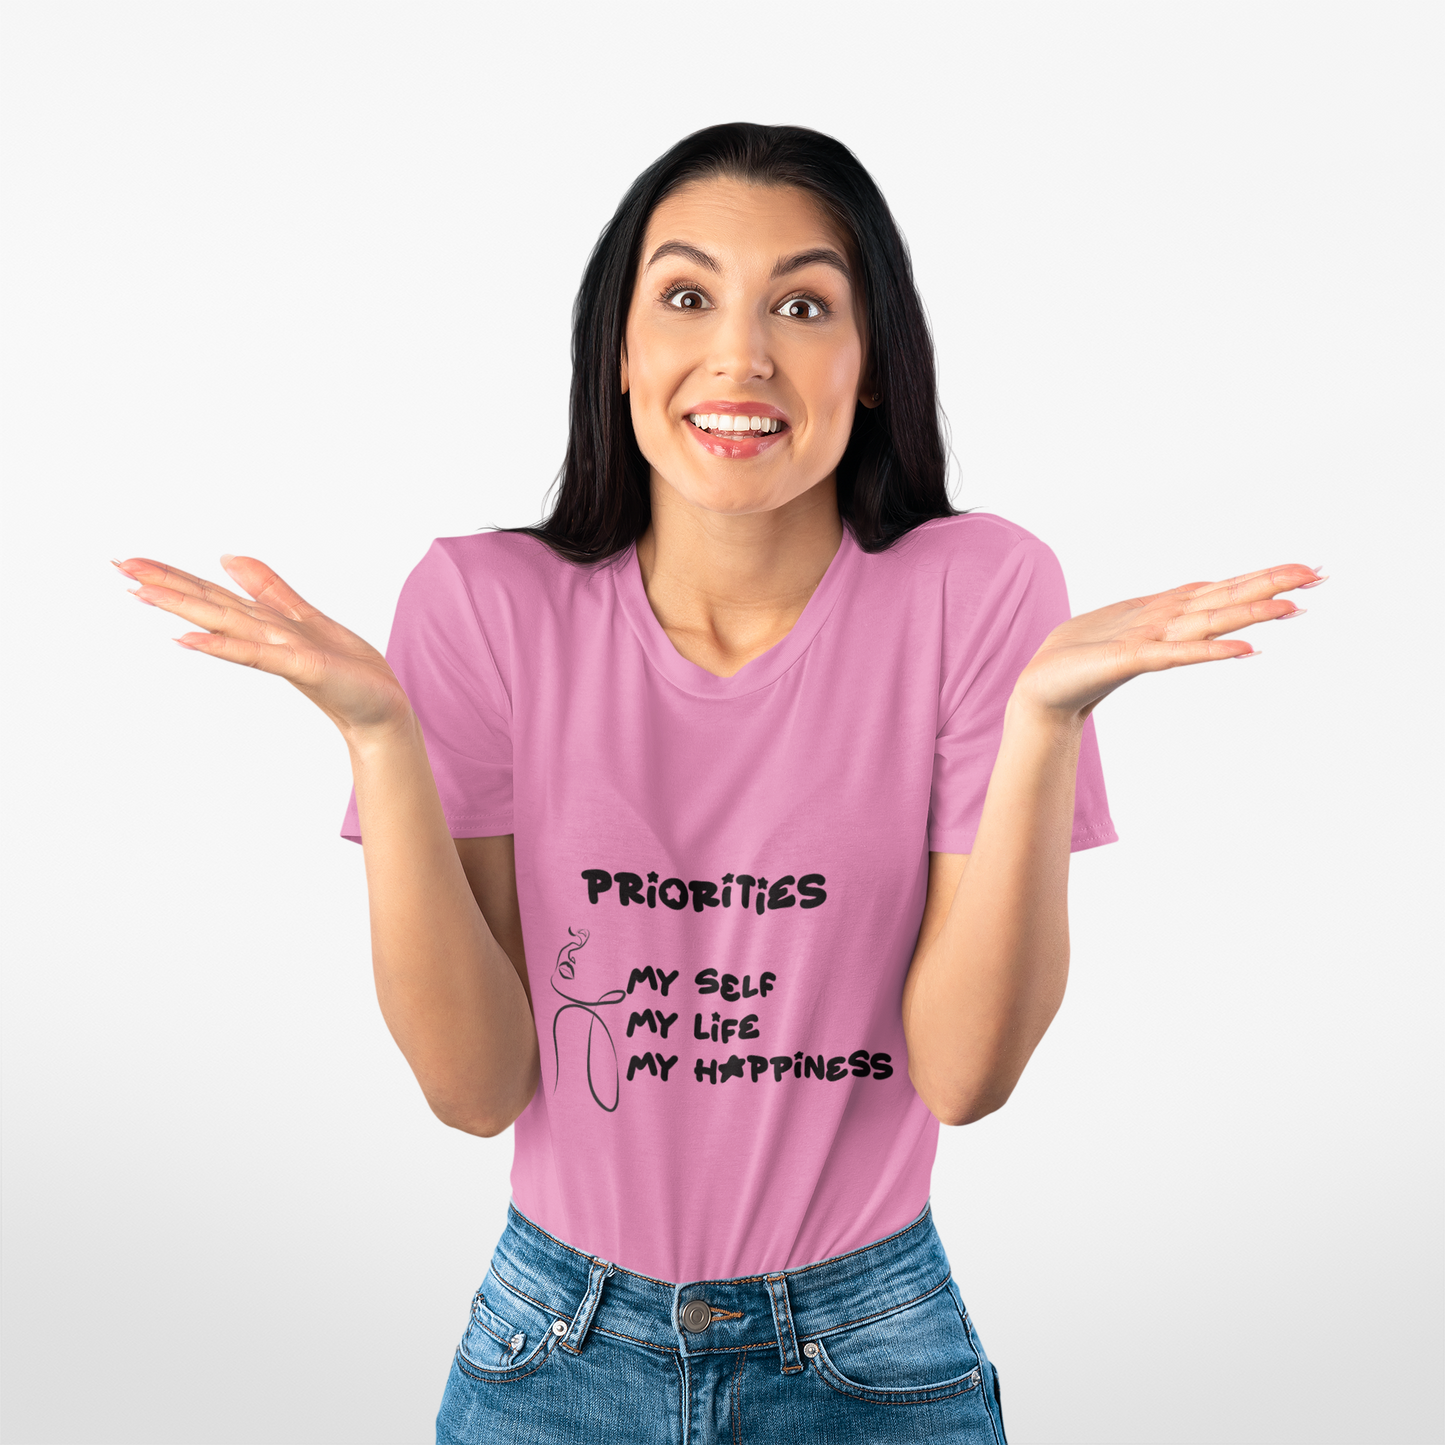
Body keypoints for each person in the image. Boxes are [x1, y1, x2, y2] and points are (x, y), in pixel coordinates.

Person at [117, 123, 1323, 1444]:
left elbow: (966, 1078)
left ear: (871, 367)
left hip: (874, 1354)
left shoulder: (978, 593)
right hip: (552, 1354)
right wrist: (384, 745)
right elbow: (474, 1091)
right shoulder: (482, 605)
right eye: (686, 297)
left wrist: (1043, 721)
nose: (741, 356)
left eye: (802, 305)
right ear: (621, 352)